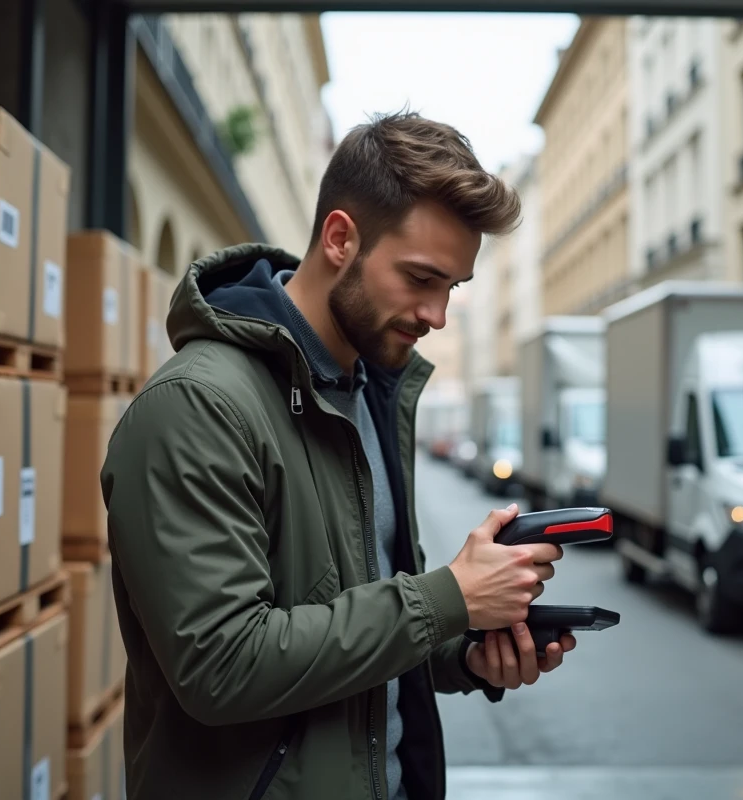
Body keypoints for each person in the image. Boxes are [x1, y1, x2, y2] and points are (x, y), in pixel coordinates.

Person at [101, 110, 577, 800]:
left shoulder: (368, 393)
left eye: (452, 288)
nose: (438, 315)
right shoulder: (197, 406)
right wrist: (446, 599)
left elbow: (354, 613)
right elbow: (220, 666)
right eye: (420, 279)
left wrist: (468, 650)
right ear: (340, 238)